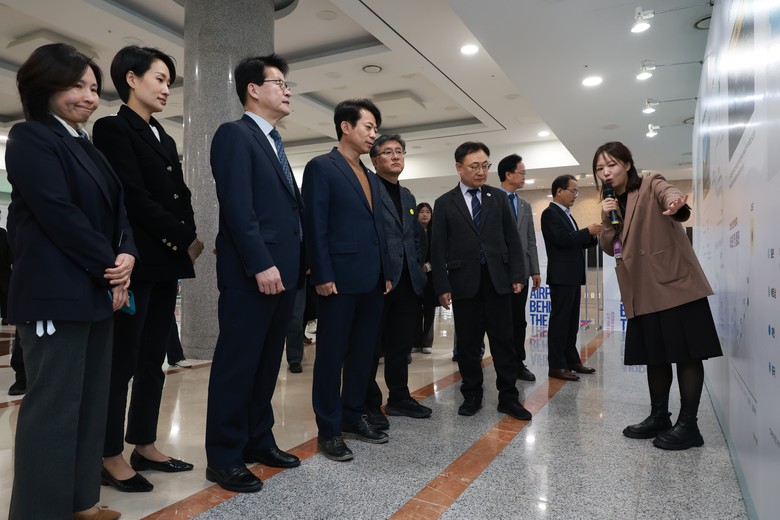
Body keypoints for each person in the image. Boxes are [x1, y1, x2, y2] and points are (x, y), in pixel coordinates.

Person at [6, 42, 136, 520]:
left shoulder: (86, 144)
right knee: (54, 409)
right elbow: (59, 214)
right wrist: (111, 265)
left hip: (93, 291)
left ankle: (81, 503)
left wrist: (127, 254)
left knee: (89, 404)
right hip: (56, 293)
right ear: (45, 86)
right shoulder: (30, 137)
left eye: (93, 87)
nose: (89, 96)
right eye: (77, 85)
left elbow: (119, 211)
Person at [93, 45, 203, 493]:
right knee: (122, 360)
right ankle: (108, 454)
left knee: (154, 358)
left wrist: (188, 234)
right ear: (131, 79)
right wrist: (181, 237)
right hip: (135, 260)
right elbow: (133, 197)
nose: (165, 89)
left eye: (168, 82)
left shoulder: (164, 136)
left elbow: (181, 194)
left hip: (165, 261)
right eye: (159, 78)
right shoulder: (112, 129)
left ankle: (144, 443)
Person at [206, 54, 304, 492]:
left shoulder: (274, 142)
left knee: (266, 365)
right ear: (253, 89)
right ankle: (224, 456)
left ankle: (258, 440)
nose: (287, 90)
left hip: (283, 273)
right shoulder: (235, 134)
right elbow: (238, 208)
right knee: (237, 365)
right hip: (253, 273)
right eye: (278, 82)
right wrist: (261, 262)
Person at [593, 141, 722, 450]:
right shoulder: (611, 203)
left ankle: (689, 426)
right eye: (599, 168)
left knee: (687, 354)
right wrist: (608, 219)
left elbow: (671, 197)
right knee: (655, 355)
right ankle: (659, 416)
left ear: (627, 164)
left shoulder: (650, 183)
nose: (605, 172)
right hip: (641, 290)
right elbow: (610, 247)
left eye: (611, 164)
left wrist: (678, 205)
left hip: (675, 285)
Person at [303, 98, 392, 462]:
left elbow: (379, 229)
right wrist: (322, 273)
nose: (373, 134)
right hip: (338, 280)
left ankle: (353, 415)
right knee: (331, 356)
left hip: (372, 280)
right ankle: (329, 429)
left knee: (363, 354)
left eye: (375, 129)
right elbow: (315, 224)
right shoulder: (322, 167)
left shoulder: (370, 175)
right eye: (368, 127)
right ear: (346, 127)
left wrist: (386, 272)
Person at [430, 141, 532, 421]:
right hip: (464, 282)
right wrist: (442, 286)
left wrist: (517, 275)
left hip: (498, 281)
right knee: (468, 344)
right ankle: (472, 394)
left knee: (504, 341)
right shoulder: (444, 203)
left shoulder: (497, 198)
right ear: (459, 167)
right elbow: (437, 249)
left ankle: (508, 397)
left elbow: (512, 239)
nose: (481, 171)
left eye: (485, 165)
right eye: (474, 166)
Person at [365, 134, 432, 429]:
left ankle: (399, 398)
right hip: (379, 280)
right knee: (371, 346)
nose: (396, 156)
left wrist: (416, 265)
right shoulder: (367, 189)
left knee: (400, 345)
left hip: (407, 282)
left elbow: (414, 237)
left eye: (400, 152)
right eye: (388, 152)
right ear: (374, 160)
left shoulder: (408, 196)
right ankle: (368, 402)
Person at [540, 174, 601, 382]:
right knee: (560, 323)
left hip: (572, 276)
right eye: (573, 190)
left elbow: (575, 241)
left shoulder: (566, 215)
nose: (575, 195)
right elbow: (562, 239)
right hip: (561, 277)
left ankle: (571, 360)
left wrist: (592, 236)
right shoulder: (550, 213)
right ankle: (556, 366)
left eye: (577, 191)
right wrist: (587, 231)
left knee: (571, 322)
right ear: (559, 191)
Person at [497, 154, 540, 382]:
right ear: (508, 174)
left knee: (518, 320)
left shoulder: (524, 204)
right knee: (500, 321)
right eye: (521, 173)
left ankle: (517, 362)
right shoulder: (492, 199)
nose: (524, 177)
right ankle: (502, 362)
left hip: (521, 272)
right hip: (498, 272)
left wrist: (534, 270)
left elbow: (530, 240)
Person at [415, 202, 437, 355]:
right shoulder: (412, 231)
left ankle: (427, 342)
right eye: (422, 211)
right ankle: (415, 341)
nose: (425, 215)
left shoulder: (435, 231)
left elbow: (440, 252)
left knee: (429, 309)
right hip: (415, 275)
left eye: (428, 212)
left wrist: (428, 266)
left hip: (431, 275)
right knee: (415, 309)